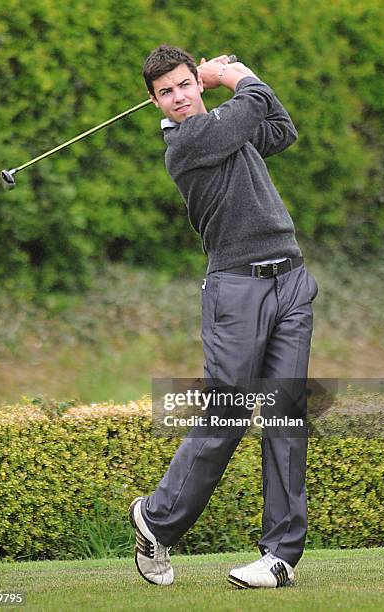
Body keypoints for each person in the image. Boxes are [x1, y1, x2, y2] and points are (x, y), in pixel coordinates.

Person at [129, 44, 319, 589]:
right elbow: (254, 102)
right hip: (236, 288)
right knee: (229, 412)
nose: (178, 98)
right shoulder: (187, 142)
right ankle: (157, 518)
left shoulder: (227, 127)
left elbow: (281, 128)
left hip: (291, 279)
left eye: (185, 85)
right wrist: (233, 75)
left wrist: (238, 82)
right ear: (156, 103)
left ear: (196, 84)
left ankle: (279, 555)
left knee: (285, 417)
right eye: (166, 93)